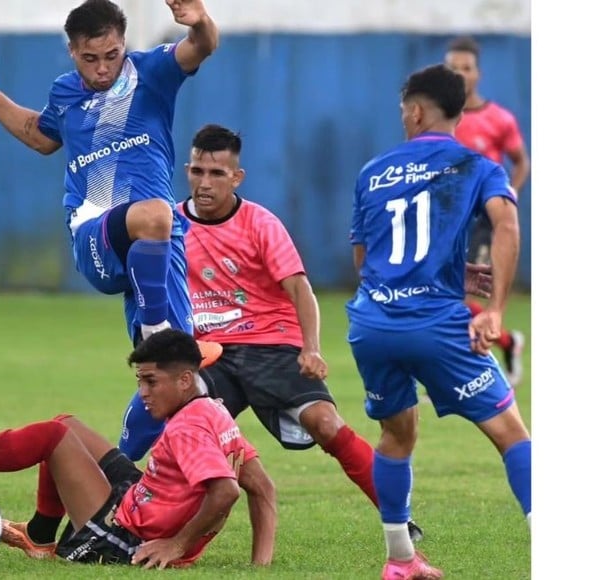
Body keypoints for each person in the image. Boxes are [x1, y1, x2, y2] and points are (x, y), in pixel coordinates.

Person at [0, 0, 222, 459]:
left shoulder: (152, 71)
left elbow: (200, 46)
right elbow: (39, 135)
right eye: (90, 58)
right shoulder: (65, 94)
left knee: (180, 378)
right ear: (72, 52)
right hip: (95, 233)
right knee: (159, 215)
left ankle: (115, 475)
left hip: (158, 250)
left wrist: (199, 21)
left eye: (111, 55)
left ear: (124, 44)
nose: (103, 68)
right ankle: (154, 330)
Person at [177, 123, 426, 542]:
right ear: (188, 170)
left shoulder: (260, 223)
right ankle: (133, 518)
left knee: (325, 424)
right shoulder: (170, 224)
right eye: (198, 171)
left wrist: (310, 348)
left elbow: (300, 289)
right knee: (184, 431)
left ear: (237, 178)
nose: (205, 183)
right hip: (212, 352)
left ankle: (398, 517)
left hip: (271, 343)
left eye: (216, 174)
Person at [346, 64, 531, 579]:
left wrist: (447, 271)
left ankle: (401, 560)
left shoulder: (372, 170)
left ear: (417, 110)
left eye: (404, 111)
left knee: (396, 435)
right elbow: (507, 223)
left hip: (371, 325)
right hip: (434, 324)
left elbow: (366, 262)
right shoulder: (476, 165)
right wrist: (493, 309)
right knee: (512, 434)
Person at [0, 329, 277, 568]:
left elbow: (225, 491)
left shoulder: (188, 427)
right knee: (66, 425)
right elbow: (263, 489)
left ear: (186, 379)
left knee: (50, 438)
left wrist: (177, 547)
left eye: (150, 381)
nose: (142, 393)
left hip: (128, 541)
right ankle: (40, 536)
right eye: (139, 381)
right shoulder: (215, 412)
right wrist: (261, 566)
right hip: (140, 502)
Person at [445, 35, 530, 387]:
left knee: (464, 296)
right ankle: (509, 342)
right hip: (446, 219)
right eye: (453, 68)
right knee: (443, 294)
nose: (460, 74)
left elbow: (522, 163)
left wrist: (506, 199)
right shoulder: (440, 119)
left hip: (481, 218)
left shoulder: (499, 119)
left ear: (477, 74)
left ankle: (460, 376)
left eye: (466, 68)